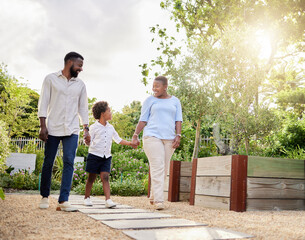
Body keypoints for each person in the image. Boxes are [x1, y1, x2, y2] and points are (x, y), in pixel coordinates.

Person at [38, 52, 90, 212]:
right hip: (53, 127)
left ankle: (64, 200)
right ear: (69, 62)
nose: (81, 69)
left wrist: (86, 129)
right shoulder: (50, 79)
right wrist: (42, 125)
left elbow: (83, 107)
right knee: (49, 162)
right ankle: (45, 196)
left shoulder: (80, 85)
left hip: (72, 128)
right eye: (79, 65)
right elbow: (43, 101)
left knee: (69, 162)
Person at [132, 76, 182, 210]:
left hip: (169, 138)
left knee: (164, 169)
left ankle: (154, 196)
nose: (154, 89)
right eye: (153, 86)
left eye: (157, 86)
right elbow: (143, 120)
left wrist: (178, 135)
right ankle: (159, 200)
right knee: (158, 167)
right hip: (152, 136)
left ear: (165, 87)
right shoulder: (149, 100)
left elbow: (178, 120)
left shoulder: (175, 101)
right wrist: (135, 134)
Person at [83, 101, 137, 207]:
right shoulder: (94, 127)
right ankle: (87, 198)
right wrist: (87, 140)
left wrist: (131, 144)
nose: (111, 112)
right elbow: (88, 142)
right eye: (109, 110)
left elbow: (118, 139)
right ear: (102, 113)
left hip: (106, 156)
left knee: (105, 177)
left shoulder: (110, 127)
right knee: (91, 178)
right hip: (94, 155)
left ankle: (108, 200)